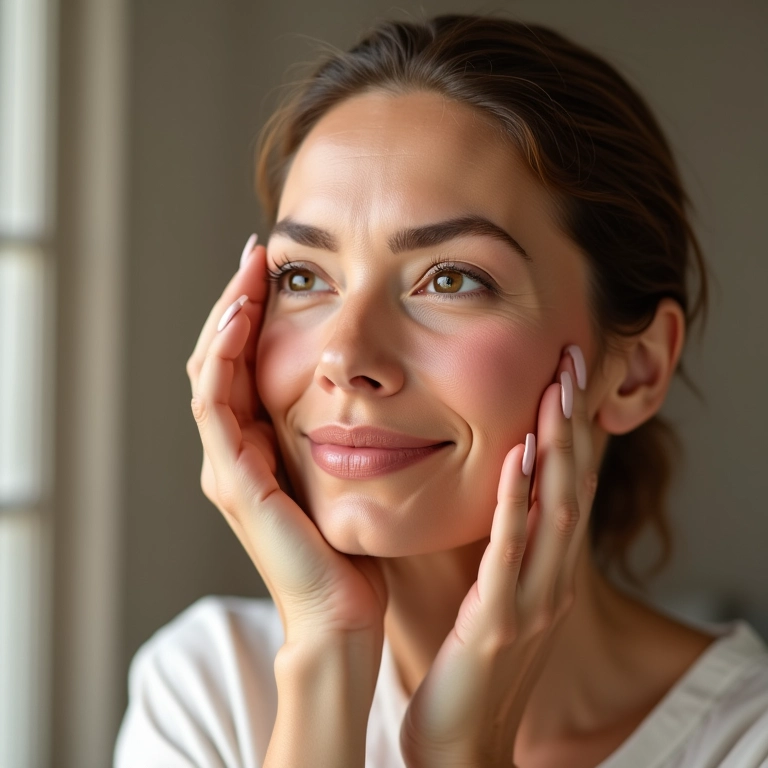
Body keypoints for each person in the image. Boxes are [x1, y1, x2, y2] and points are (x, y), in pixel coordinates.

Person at [113, 13, 768, 768]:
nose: (346, 355)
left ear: (638, 368)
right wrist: (328, 654)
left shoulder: (743, 742)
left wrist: (464, 751)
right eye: (302, 276)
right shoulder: (211, 689)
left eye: (451, 279)